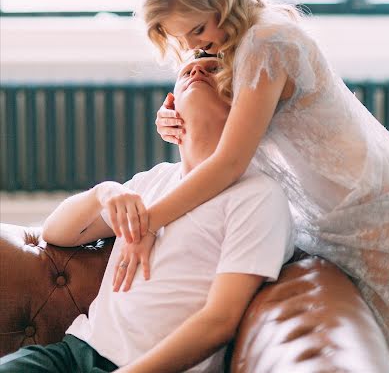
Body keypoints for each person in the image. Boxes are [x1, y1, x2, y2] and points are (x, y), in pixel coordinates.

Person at [122, 0, 389, 368]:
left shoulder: (268, 40)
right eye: (182, 37)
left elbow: (230, 163)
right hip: (331, 217)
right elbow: (223, 112)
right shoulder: (234, 38)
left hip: (370, 210)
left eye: (197, 30)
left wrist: (148, 221)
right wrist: (173, 114)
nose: (196, 44)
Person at [0, 55, 294, 373]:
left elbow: (220, 320)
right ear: (170, 105)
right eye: (188, 71)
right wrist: (104, 192)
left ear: (249, 105)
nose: (197, 70)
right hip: (72, 353)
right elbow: (56, 234)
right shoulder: (154, 180)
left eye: (214, 69)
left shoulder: (259, 196)